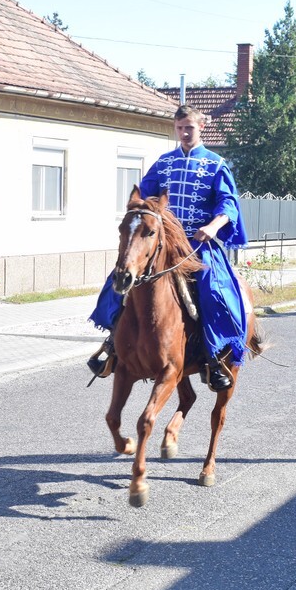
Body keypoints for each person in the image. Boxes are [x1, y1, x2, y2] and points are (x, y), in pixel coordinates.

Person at [87, 105, 249, 392]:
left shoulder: (216, 164)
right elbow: (144, 196)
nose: (184, 133)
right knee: (120, 280)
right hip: (162, 242)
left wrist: (213, 227)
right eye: (180, 128)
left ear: (201, 127)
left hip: (198, 243)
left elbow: (228, 204)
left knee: (213, 291)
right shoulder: (164, 163)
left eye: (190, 128)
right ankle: (113, 345)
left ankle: (214, 357)